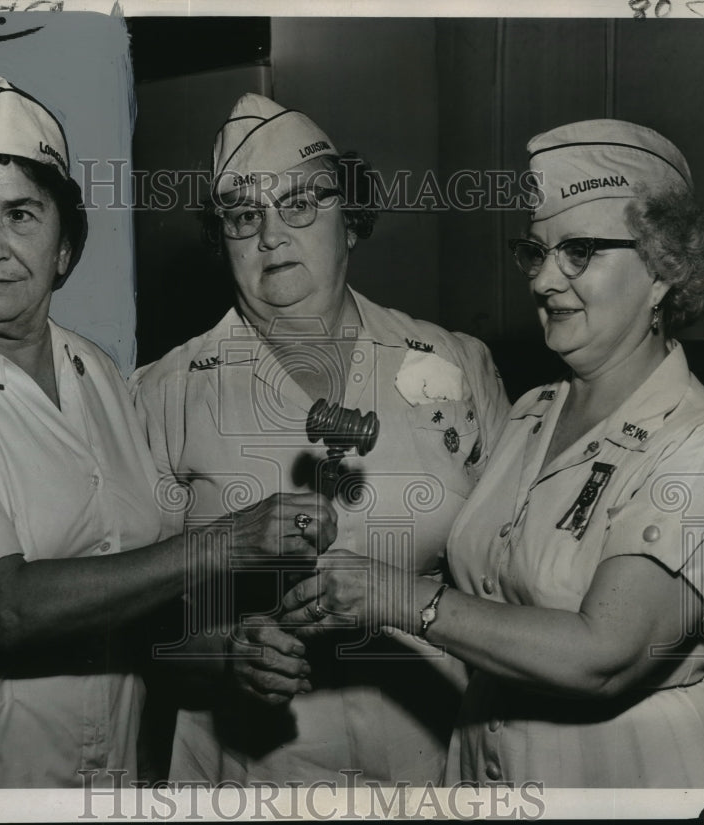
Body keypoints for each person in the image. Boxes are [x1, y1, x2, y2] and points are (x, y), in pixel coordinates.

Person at [0, 73, 332, 789]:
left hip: (101, 761)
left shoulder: (94, 372)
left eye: (22, 214)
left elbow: (129, 597)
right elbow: (6, 609)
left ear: (64, 247)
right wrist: (228, 541)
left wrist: (224, 651)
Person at [282, 119, 704, 788]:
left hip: (633, 772)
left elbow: (605, 654)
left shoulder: (698, 439)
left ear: (662, 269)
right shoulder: (533, 411)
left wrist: (395, 595)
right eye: (535, 253)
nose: (543, 280)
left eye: (580, 251)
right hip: (492, 758)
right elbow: (486, 599)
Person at [130, 93, 510, 786]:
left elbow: (514, 584)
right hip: (247, 769)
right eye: (245, 215)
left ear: (352, 219)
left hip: (431, 754)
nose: (272, 234)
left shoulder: (454, 364)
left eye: (301, 202)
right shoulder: (167, 391)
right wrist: (224, 649)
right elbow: (137, 629)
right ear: (223, 241)